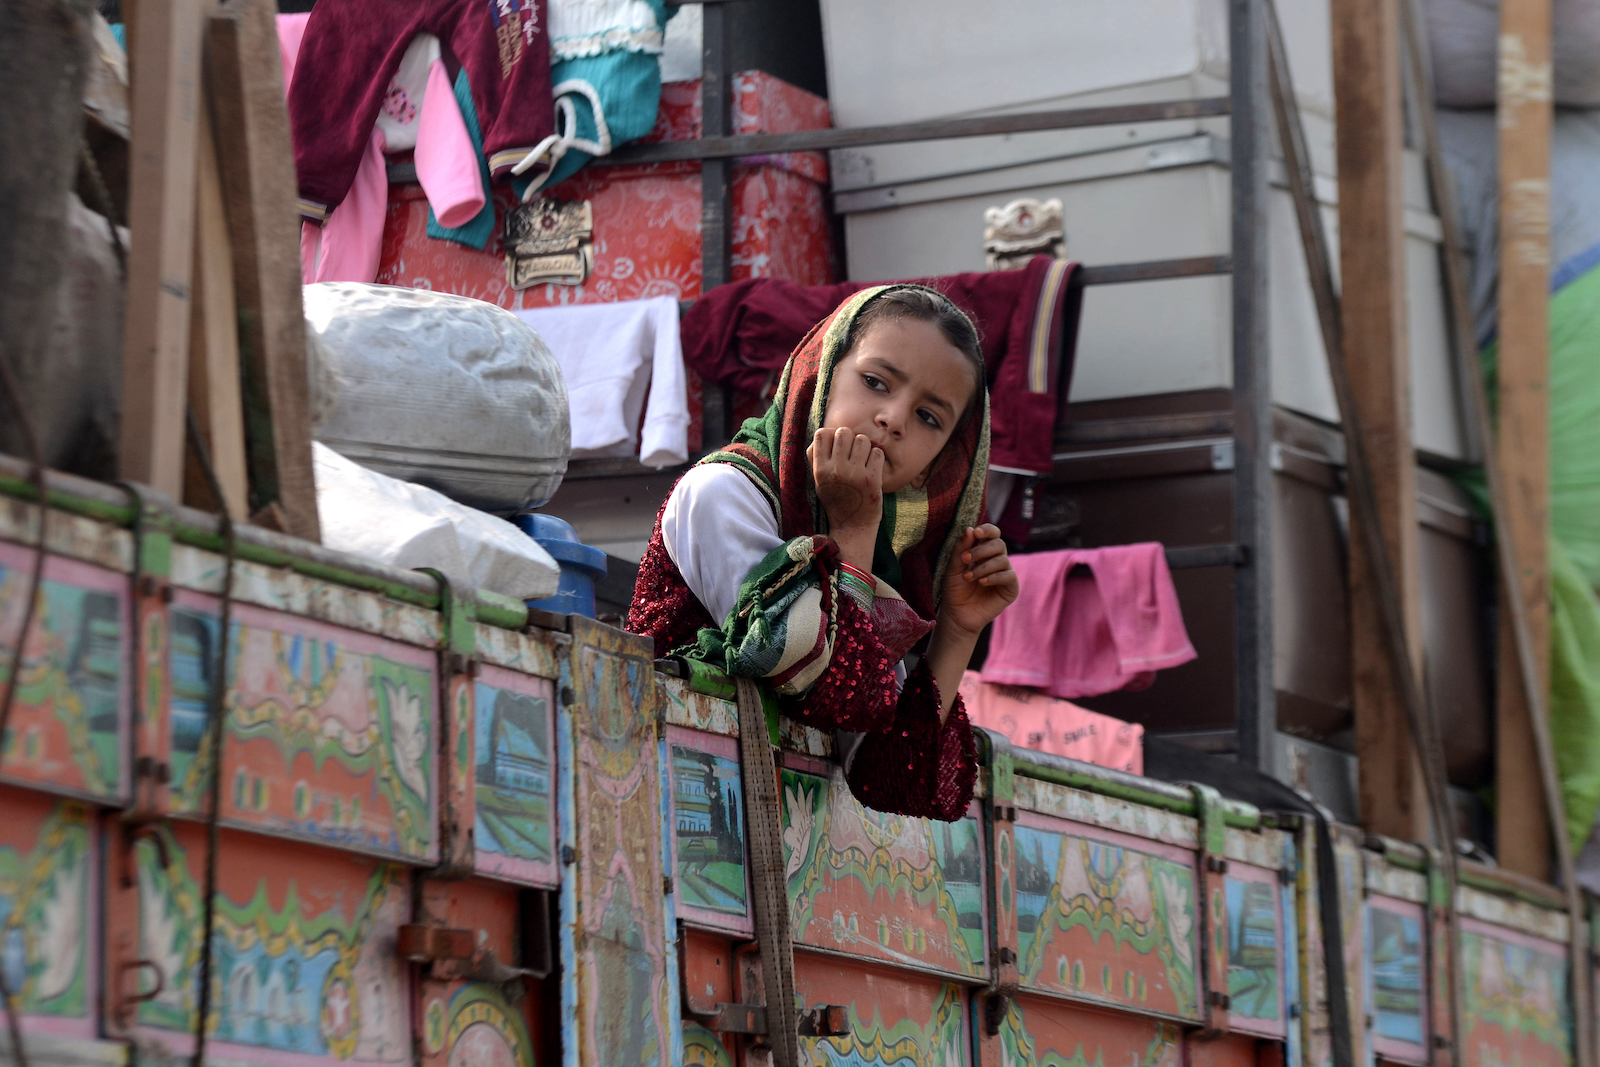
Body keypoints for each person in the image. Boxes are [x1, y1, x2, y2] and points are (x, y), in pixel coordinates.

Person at [628, 285, 1018, 820]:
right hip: (670, 812)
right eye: (876, 382)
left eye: (929, 418)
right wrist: (851, 530)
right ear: (822, 374)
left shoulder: (892, 564)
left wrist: (959, 629)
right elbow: (826, 691)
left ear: (934, 465)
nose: (894, 419)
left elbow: (888, 782)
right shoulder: (722, 493)